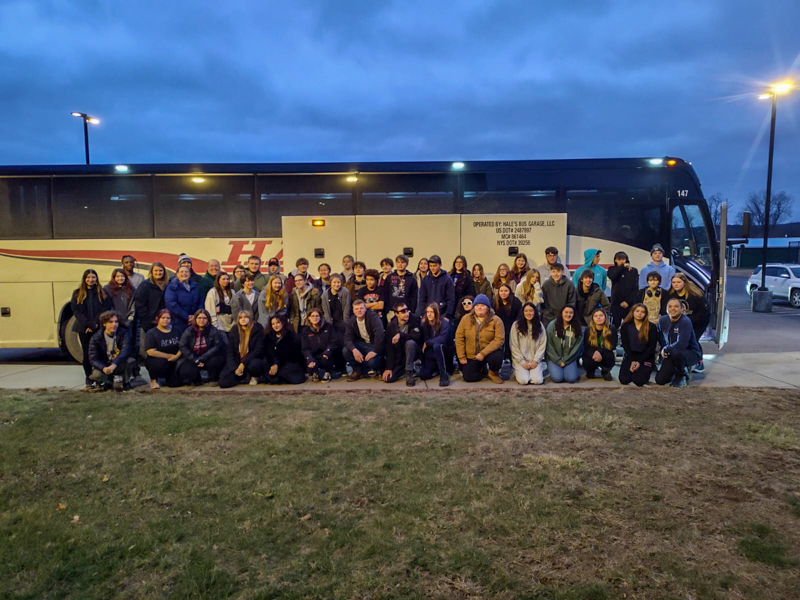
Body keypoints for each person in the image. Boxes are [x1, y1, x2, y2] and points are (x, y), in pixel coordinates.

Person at [70, 269, 113, 389]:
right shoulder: (77, 293)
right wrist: (88, 325)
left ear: (96, 278)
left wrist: (95, 324)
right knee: (87, 354)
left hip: (98, 327)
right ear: (84, 279)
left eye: (93, 277)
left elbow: (106, 309)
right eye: (88, 277)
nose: (90, 279)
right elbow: (76, 311)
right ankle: (89, 378)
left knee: (100, 353)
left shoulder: (102, 292)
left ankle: (99, 378)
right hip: (83, 328)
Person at [456, 294, 505, 383]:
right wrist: (461, 356)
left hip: (489, 352)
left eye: (482, 306)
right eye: (477, 306)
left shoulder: (496, 320)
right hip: (472, 354)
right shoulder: (465, 319)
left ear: (488, 308)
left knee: (496, 357)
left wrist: (483, 353)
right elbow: (459, 337)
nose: (479, 308)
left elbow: (499, 339)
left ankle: (493, 373)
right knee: (469, 378)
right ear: (474, 307)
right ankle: (482, 370)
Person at [667, 273, 710, 372]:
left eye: (678, 282)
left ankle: (699, 362)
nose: (676, 284)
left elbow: (704, 313)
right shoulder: (670, 295)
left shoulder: (695, 295)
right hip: (680, 323)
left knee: (693, 340)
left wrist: (688, 321)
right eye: (673, 282)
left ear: (684, 282)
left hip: (698, 322)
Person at [656, 298, 702, 388]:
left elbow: (682, 344)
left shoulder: (685, 321)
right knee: (660, 380)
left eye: (676, 306)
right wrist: (663, 349)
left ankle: (683, 374)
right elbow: (660, 338)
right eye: (670, 306)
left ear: (682, 309)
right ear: (666, 309)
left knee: (676, 352)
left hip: (689, 353)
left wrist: (666, 349)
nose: (673, 308)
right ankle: (675, 369)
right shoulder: (662, 320)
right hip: (672, 353)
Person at [218, 310, 267, 388]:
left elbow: (258, 351)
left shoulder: (257, 329)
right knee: (223, 382)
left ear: (250, 318)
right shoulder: (234, 330)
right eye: (240, 318)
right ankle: (242, 376)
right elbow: (230, 351)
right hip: (238, 361)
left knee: (254, 364)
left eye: (246, 317)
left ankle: (255, 376)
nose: (243, 319)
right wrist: (234, 368)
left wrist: (243, 364)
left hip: (252, 360)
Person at [88, 310, 134, 391]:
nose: (114, 324)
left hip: (118, 364)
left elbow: (125, 351)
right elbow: (93, 359)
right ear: (104, 324)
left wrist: (114, 364)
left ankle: (126, 382)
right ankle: (108, 382)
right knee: (96, 375)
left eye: (116, 322)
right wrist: (103, 368)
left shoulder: (124, 333)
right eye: (111, 322)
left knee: (130, 361)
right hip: (105, 365)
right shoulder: (96, 338)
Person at [178, 309, 226, 385]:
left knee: (216, 361)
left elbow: (217, 346)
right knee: (186, 370)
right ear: (195, 319)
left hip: (209, 357)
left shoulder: (213, 330)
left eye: (204, 318)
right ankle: (197, 379)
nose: (202, 320)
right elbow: (182, 345)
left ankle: (213, 378)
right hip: (193, 357)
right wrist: (194, 359)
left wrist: (202, 358)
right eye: (199, 318)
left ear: (208, 319)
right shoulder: (189, 330)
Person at [343, 299, 385, 381]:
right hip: (362, 344)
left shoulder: (373, 317)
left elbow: (380, 335)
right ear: (353, 311)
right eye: (357, 309)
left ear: (365, 309)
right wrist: (354, 349)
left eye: (361, 308)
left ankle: (378, 368)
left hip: (374, 345)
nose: (359, 310)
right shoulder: (351, 321)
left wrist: (375, 351)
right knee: (346, 350)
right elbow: (347, 337)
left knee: (372, 362)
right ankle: (357, 370)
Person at [382, 301, 422, 386]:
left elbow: (416, 337)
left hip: (414, 352)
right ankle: (403, 370)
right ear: (396, 314)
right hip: (400, 356)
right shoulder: (391, 326)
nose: (406, 313)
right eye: (403, 311)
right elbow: (389, 348)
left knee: (410, 343)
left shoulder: (415, 320)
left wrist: (401, 335)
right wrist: (389, 368)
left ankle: (409, 372)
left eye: (407, 310)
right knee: (389, 379)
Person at [134, 262, 168, 359]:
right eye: (156, 271)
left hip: (165, 321)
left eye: (160, 270)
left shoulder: (168, 284)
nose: (158, 273)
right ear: (151, 272)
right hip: (149, 323)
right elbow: (140, 304)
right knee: (150, 349)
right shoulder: (145, 285)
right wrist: (149, 319)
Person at [619, 303, 658, 387]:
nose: (639, 314)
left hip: (646, 357)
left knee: (639, 381)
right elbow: (625, 345)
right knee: (624, 380)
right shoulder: (625, 326)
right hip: (631, 356)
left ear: (646, 314)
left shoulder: (651, 327)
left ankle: (644, 370)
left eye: (642, 312)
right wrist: (633, 360)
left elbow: (651, 347)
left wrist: (639, 361)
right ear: (633, 312)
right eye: (637, 311)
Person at [509, 302, 546, 385]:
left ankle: (534, 372)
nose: (528, 313)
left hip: (534, 360)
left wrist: (536, 360)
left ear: (535, 312)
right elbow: (513, 345)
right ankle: (517, 372)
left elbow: (542, 344)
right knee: (524, 381)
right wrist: (522, 362)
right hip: (520, 360)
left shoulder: (539, 325)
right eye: (526, 311)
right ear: (523, 312)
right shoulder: (516, 325)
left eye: (531, 311)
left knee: (537, 381)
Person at [144, 309, 182, 389]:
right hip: (158, 359)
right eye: (163, 318)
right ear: (157, 319)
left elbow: (183, 345)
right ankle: (153, 380)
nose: (165, 320)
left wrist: (177, 356)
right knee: (158, 363)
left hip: (174, 359)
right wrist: (169, 356)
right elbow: (150, 351)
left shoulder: (177, 330)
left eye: (168, 318)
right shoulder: (151, 333)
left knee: (175, 384)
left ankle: (169, 378)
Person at [264, 313, 307, 385]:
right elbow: (268, 352)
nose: (276, 325)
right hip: (274, 363)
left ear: (283, 323)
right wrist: (273, 363)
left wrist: (277, 364)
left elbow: (292, 354)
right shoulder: (269, 336)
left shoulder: (292, 336)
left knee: (288, 372)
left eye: (278, 323)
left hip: (289, 362)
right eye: (273, 324)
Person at [545, 305, 583, 384]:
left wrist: (566, 360)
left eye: (571, 313)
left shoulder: (577, 327)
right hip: (554, 358)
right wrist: (558, 361)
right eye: (566, 312)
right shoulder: (552, 325)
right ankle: (554, 368)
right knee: (557, 378)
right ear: (561, 313)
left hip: (569, 358)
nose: (568, 315)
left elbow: (577, 347)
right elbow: (549, 345)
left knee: (571, 379)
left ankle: (571, 369)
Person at [419, 303, 454, 387]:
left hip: (444, 352)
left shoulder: (444, 322)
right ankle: (436, 370)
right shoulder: (425, 324)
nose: (429, 314)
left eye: (432, 312)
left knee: (437, 345)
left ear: (436, 312)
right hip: (431, 354)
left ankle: (443, 374)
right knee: (423, 375)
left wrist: (428, 343)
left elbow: (443, 339)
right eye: (427, 312)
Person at [301, 308, 340, 382]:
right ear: (309, 318)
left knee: (326, 359)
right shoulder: (305, 331)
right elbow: (305, 348)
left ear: (320, 317)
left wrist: (327, 352)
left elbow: (333, 342)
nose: (315, 318)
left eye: (317, 316)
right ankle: (315, 372)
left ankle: (327, 372)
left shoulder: (328, 326)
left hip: (327, 354)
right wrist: (309, 359)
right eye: (312, 316)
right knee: (310, 368)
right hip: (314, 355)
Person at [164, 265, 203, 336]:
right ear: (177, 274)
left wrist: (197, 316)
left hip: (195, 322)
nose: (184, 274)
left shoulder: (194, 286)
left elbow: (200, 300)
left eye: (186, 272)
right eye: (181, 272)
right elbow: (172, 304)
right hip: (178, 323)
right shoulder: (172, 287)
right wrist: (187, 317)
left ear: (190, 274)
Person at [416, 254, 456, 320]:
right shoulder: (425, 280)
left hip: (442, 315)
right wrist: (423, 314)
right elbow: (422, 299)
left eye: (434, 266)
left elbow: (451, 299)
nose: (432, 268)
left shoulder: (447, 280)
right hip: (428, 315)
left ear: (440, 265)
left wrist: (447, 315)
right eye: (431, 266)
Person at [581, 308, 617, 381]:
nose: (598, 317)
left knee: (609, 355)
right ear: (593, 318)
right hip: (591, 353)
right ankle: (590, 371)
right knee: (587, 358)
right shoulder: (588, 329)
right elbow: (586, 347)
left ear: (605, 317)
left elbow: (612, 346)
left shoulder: (611, 329)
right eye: (596, 316)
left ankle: (605, 371)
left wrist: (599, 351)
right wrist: (595, 353)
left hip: (605, 352)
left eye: (601, 315)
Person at [607, 252, 640, 328]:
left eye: (623, 259)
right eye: (619, 259)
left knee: (630, 327)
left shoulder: (633, 271)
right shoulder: (611, 269)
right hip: (616, 304)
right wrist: (622, 267)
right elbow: (613, 276)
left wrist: (628, 302)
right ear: (615, 260)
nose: (622, 261)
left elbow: (635, 289)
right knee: (615, 327)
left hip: (629, 304)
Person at [493, 283, 522, 361]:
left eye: (506, 291)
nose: (503, 293)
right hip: (499, 327)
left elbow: (520, 315)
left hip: (513, 326)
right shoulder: (494, 301)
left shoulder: (516, 301)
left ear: (510, 291)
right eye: (501, 291)